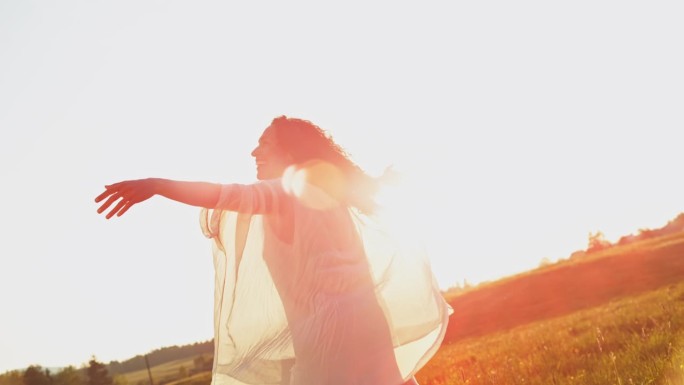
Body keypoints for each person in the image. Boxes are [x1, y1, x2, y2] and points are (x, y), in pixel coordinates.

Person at [95, 116, 452, 385]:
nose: (253, 151)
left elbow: (228, 195)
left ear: (290, 152)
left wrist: (156, 184)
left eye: (263, 143)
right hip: (363, 326)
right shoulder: (322, 192)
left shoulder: (290, 191)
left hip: (333, 339)